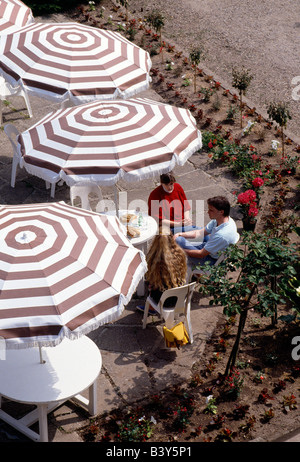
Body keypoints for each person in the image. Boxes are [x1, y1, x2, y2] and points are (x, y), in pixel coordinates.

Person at [174, 196, 238, 268]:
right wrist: (180, 234)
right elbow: (200, 233)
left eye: (211, 210)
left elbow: (201, 254)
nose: (208, 212)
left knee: (179, 241)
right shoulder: (224, 219)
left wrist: (180, 251)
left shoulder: (222, 235)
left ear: (221, 212)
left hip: (211, 261)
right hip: (211, 251)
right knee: (193, 231)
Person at [137, 227, 187, 314]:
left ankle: (152, 308)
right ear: (171, 238)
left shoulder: (153, 259)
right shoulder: (180, 253)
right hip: (179, 297)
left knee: (150, 283)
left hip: (161, 300)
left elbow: (149, 278)